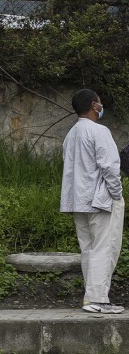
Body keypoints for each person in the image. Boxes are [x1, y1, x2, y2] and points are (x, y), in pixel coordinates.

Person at [61, 89, 125, 314]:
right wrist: (117, 194)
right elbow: (109, 167)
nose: (101, 105)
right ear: (94, 106)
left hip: (78, 200)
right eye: (99, 102)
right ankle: (98, 298)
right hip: (101, 199)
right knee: (104, 248)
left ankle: (91, 297)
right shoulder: (99, 131)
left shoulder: (71, 134)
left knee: (88, 249)